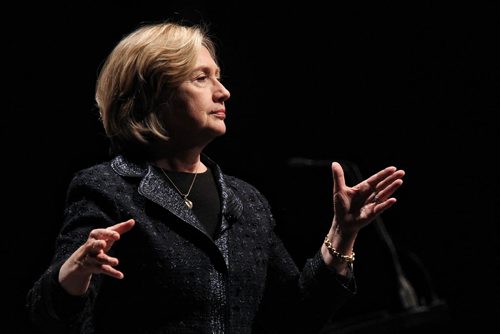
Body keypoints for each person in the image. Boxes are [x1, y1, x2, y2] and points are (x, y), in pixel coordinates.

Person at [26, 20, 405, 334]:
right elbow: (49, 313)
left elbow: (295, 316)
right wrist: (75, 271)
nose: (223, 92)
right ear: (151, 95)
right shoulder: (106, 189)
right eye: (201, 78)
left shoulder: (247, 201)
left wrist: (343, 231)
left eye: (218, 77)